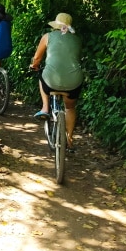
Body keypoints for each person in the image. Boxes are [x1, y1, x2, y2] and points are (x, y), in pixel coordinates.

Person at [30, 12, 83, 152]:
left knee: (42, 78)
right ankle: (69, 140)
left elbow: (37, 59)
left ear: (56, 25)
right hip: (74, 82)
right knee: (70, 108)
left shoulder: (47, 37)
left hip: (51, 81)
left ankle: (45, 108)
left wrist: (34, 66)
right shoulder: (77, 39)